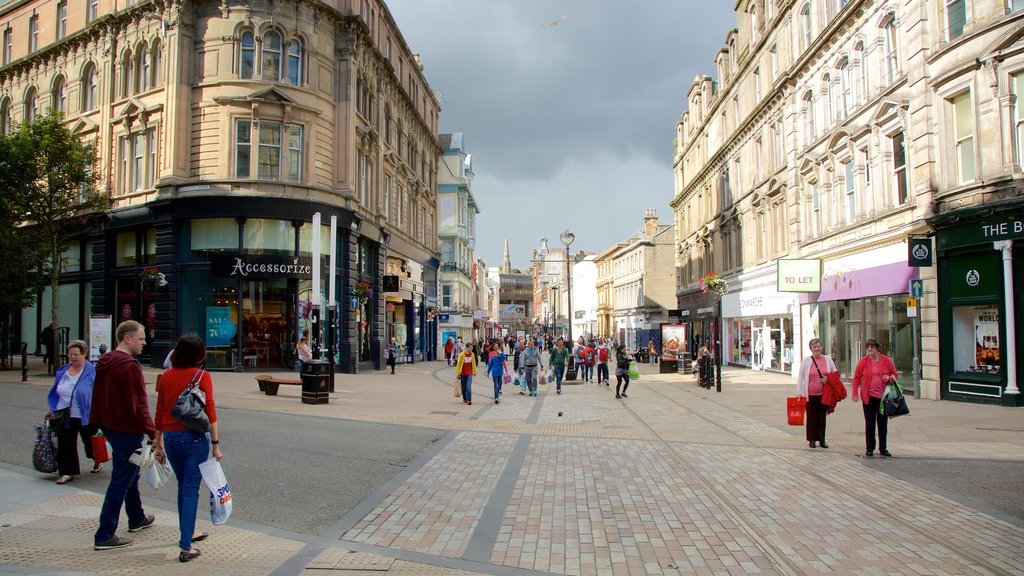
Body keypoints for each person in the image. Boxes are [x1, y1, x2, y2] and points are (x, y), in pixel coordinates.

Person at [153, 334, 222, 563]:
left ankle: (188, 531)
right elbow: (210, 411)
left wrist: (157, 442)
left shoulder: (166, 377)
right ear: (200, 354)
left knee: (184, 487)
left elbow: (161, 409)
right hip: (194, 438)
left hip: (171, 438)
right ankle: (185, 545)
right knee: (191, 488)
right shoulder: (202, 376)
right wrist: (215, 444)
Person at [90, 320, 156, 551]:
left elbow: (97, 396)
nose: (144, 343)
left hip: (111, 425)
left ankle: (136, 517)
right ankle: (105, 533)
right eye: (141, 338)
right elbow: (138, 402)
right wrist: (152, 430)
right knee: (122, 478)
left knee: (129, 473)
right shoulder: (128, 365)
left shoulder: (105, 361)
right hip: (127, 428)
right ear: (127, 339)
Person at [45, 340, 100, 484]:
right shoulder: (63, 371)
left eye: (76, 354)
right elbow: (57, 392)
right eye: (70, 355)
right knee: (66, 443)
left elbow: (99, 393)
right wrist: (52, 409)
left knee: (90, 442)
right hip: (65, 414)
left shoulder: (92, 371)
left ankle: (97, 459)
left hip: (86, 414)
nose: (73, 358)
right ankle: (67, 472)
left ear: (84, 354)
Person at [852, 338, 899, 457]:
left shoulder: (886, 361)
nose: (869, 349)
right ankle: (870, 448)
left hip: (883, 397)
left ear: (877, 349)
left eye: (872, 347)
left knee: (883, 423)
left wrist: (888, 378)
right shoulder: (864, 361)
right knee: (870, 423)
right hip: (868, 396)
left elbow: (895, 374)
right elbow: (856, 378)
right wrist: (854, 394)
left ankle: (883, 448)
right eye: (868, 347)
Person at [796, 338, 838, 449]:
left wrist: (827, 379)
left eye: (819, 346)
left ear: (822, 347)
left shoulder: (828, 360)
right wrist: (799, 392)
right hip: (810, 395)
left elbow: (835, 374)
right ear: (811, 349)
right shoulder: (806, 361)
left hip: (824, 394)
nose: (817, 349)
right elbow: (800, 377)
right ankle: (812, 439)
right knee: (811, 417)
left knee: (822, 418)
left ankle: (822, 440)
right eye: (815, 347)